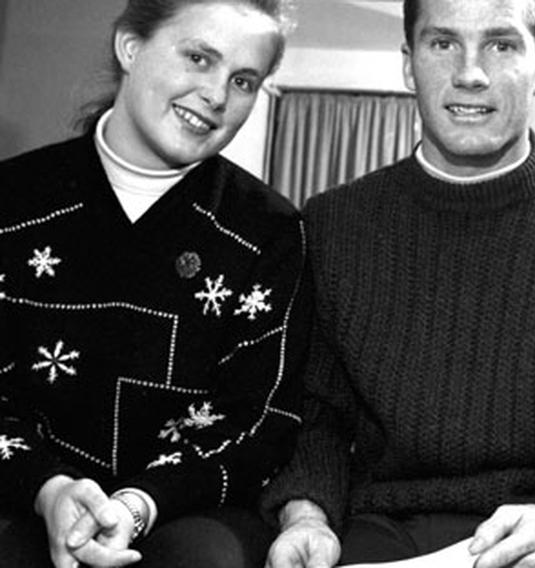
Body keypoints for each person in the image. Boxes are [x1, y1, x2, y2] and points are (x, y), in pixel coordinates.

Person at [260, 0, 535, 567]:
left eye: (501, 45)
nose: (469, 72)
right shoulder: (332, 228)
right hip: (371, 533)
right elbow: (312, 419)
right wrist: (306, 515)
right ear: (408, 63)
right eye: (443, 43)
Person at [0, 1, 308, 567]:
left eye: (243, 80)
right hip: (17, 495)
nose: (217, 94)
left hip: (188, 515)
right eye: (198, 58)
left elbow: (261, 418)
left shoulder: (269, 233)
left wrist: (139, 504)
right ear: (130, 47)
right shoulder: (12, 204)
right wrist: (48, 491)